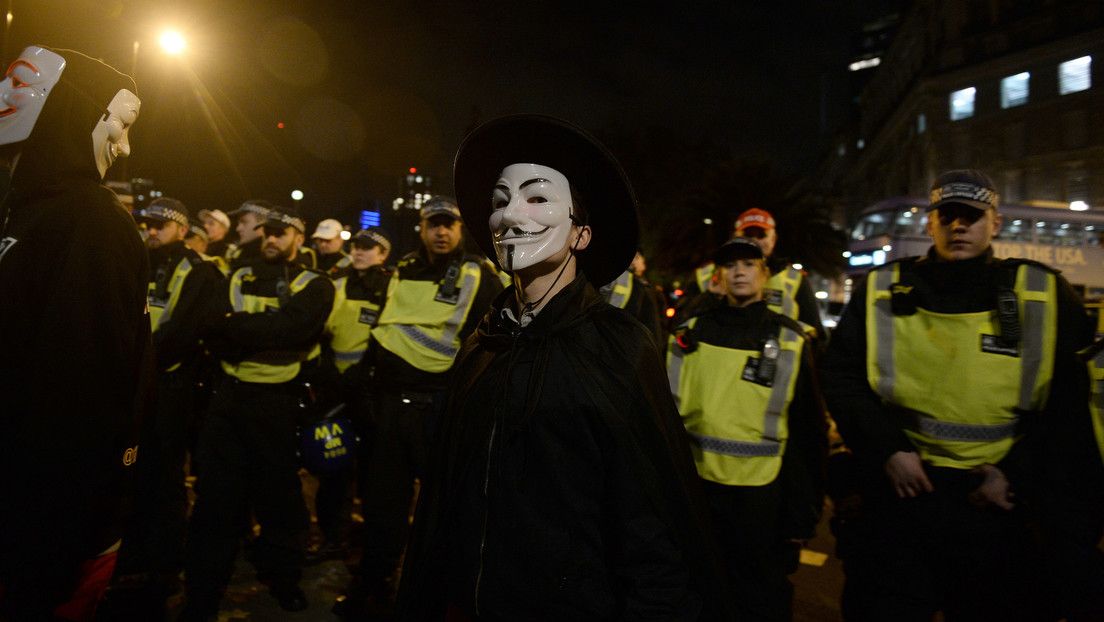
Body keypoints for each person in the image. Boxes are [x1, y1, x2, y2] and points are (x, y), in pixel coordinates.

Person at [396, 114, 730, 621]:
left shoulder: (617, 347)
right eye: (500, 200)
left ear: (581, 234)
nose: (510, 215)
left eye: (537, 197)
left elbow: (650, 522)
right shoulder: (484, 342)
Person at [821, 169, 1093, 621]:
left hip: (994, 506)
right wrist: (889, 451)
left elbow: (1072, 401)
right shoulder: (882, 288)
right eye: (947, 216)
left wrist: (1015, 476)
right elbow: (842, 377)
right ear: (930, 225)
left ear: (996, 223)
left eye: (972, 216)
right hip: (900, 496)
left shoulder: (1044, 291)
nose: (959, 226)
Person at [0, 46, 152, 621]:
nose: (124, 144)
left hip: (51, 532)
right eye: (118, 122)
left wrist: (62, 546)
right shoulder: (33, 214)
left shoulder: (90, 221)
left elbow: (82, 399)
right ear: (72, 114)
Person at [336, 196, 502, 617]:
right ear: (422, 228)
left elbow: (493, 343)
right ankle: (374, 585)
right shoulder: (405, 269)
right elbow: (385, 327)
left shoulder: (478, 273)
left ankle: (432, 597)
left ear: (461, 229)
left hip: (441, 408)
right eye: (434, 224)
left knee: (443, 511)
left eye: (449, 225)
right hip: (393, 406)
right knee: (381, 506)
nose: (441, 232)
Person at [182, 203, 335, 620]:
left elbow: (295, 330)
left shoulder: (316, 284)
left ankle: (284, 580)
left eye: (280, 233)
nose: (270, 239)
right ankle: (202, 594)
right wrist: (261, 332)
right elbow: (209, 326)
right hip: (228, 403)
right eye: (266, 232)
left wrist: (237, 327)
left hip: (277, 405)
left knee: (279, 501)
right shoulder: (238, 275)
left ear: (298, 240)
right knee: (215, 501)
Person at [668, 236, 826, 621]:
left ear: (765, 274)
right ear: (718, 276)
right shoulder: (689, 333)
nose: (739, 271)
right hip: (699, 488)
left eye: (749, 264)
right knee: (698, 591)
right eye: (731, 266)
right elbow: (665, 416)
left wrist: (802, 512)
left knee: (760, 595)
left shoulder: (790, 338)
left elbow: (808, 432)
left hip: (763, 496)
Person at [104, 198, 223, 618]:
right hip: (136, 381)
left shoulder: (199, 270)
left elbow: (184, 331)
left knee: (165, 476)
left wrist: (138, 358)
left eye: (159, 226)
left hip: (170, 385)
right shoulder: (140, 259)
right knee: (132, 471)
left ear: (180, 227)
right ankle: (133, 556)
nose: (151, 232)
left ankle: (165, 568)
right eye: (147, 225)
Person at [309, 227, 394, 565]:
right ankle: (333, 537)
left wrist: (367, 371)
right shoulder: (337, 283)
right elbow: (323, 330)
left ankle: (371, 543)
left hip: (371, 393)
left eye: (369, 248)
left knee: (375, 474)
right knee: (333, 468)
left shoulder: (392, 286)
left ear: (383, 255)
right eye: (357, 247)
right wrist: (327, 366)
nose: (360, 252)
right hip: (336, 391)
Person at [685, 208, 824, 341]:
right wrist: (710, 298)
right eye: (748, 234)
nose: (754, 240)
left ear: (773, 239)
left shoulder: (795, 279)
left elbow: (813, 334)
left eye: (761, 235)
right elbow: (681, 322)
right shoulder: (704, 274)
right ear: (735, 236)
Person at [225, 199, 271, 272]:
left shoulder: (271, 260)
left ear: (263, 225)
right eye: (239, 223)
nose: (238, 228)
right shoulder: (239, 255)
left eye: (244, 222)